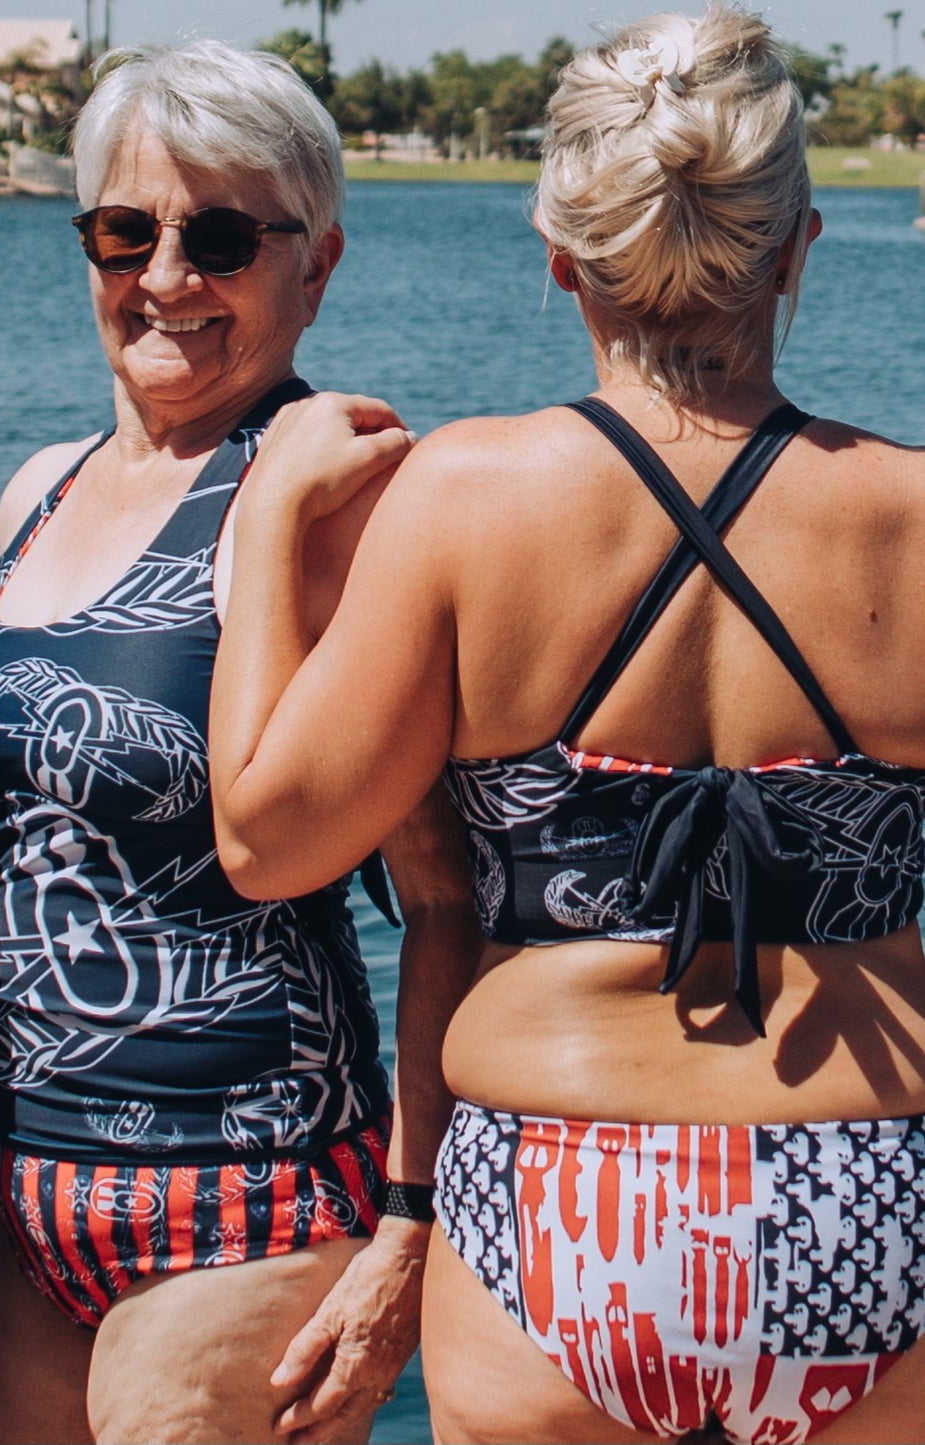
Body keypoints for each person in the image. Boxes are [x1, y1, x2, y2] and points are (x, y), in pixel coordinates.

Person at [209, 6, 925, 1442]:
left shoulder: (466, 497)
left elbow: (265, 837)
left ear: (558, 259)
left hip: (563, 1190)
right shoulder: (912, 515)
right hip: (872, 1186)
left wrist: (274, 517)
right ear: (795, 249)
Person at [0, 39, 471, 1445]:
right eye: (124, 229)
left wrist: (409, 1230)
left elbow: (447, 897)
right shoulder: (36, 492)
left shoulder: (342, 503)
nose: (164, 277)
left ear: (317, 267)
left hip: (258, 1196)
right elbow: (26, 882)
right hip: (26, 1197)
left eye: (220, 237)